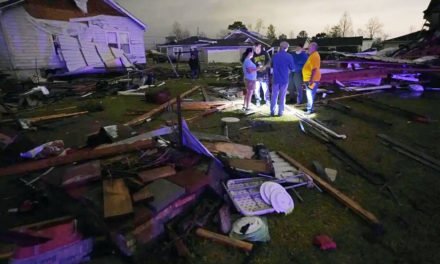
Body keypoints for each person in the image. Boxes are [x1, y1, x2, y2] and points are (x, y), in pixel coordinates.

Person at [270, 41, 294, 117]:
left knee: (274, 95)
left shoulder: (274, 56)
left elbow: (271, 66)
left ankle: (272, 111)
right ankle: (280, 112)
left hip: (275, 78)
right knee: (282, 96)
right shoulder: (289, 56)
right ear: (286, 48)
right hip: (284, 79)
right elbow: (292, 68)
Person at [302, 42, 321, 114]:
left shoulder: (315, 56)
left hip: (313, 79)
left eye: (310, 47)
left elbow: (315, 69)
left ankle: (309, 110)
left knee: (310, 94)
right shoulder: (312, 55)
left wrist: (311, 80)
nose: (308, 48)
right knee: (309, 94)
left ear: (314, 48)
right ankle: (310, 108)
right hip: (310, 79)